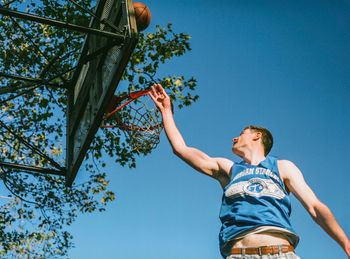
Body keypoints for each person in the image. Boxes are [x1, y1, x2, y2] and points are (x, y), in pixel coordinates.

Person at [148, 84, 350, 259]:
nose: (234, 138)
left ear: (257, 136)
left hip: (280, 252)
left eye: (241, 133)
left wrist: (346, 244)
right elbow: (181, 149)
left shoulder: (282, 167)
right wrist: (167, 111)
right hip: (237, 254)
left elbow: (314, 207)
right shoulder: (228, 168)